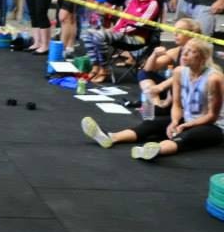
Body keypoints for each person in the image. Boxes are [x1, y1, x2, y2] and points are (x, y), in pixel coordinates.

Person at [81, 38, 224, 160]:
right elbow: (176, 104)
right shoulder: (179, 72)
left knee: (188, 136)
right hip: (187, 118)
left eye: (192, 51)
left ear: (203, 58)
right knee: (151, 124)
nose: (184, 54)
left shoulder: (214, 79)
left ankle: (155, 150)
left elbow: (212, 116)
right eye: (185, 49)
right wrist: (174, 122)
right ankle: (110, 137)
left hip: (214, 126)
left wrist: (185, 126)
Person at [81, 0, 161, 83]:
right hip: (122, 34)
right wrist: (114, 28)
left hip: (137, 38)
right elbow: (123, 17)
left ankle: (104, 69)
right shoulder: (133, 0)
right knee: (87, 33)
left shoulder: (152, 3)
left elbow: (141, 23)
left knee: (99, 36)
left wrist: (118, 31)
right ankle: (96, 65)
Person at [137, 17, 202, 112]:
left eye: (179, 31)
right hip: (174, 88)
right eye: (175, 31)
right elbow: (148, 69)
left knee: (178, 78)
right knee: (143, 73)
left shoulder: (197, 50)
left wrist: (160, 87)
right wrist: (154, 55)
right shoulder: (177, 50)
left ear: (191, 34)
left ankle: (162, 107)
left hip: (191, 90)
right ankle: (157, 104)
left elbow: (184, 74)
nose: (175, 34)